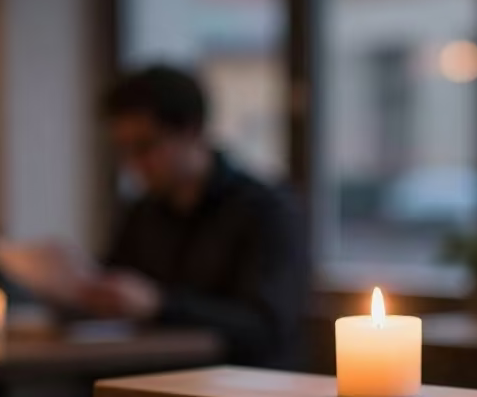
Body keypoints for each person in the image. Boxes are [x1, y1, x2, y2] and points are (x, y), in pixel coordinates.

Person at [80, 64, 308, 370]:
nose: (133, 164)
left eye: (144, 146)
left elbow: (264, 327)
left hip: (237, 394)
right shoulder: (144, 211)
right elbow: (114, 280)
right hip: (147, 383)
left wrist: (159, 305)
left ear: (192, 132)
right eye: (123, 150)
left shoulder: (265, 210)